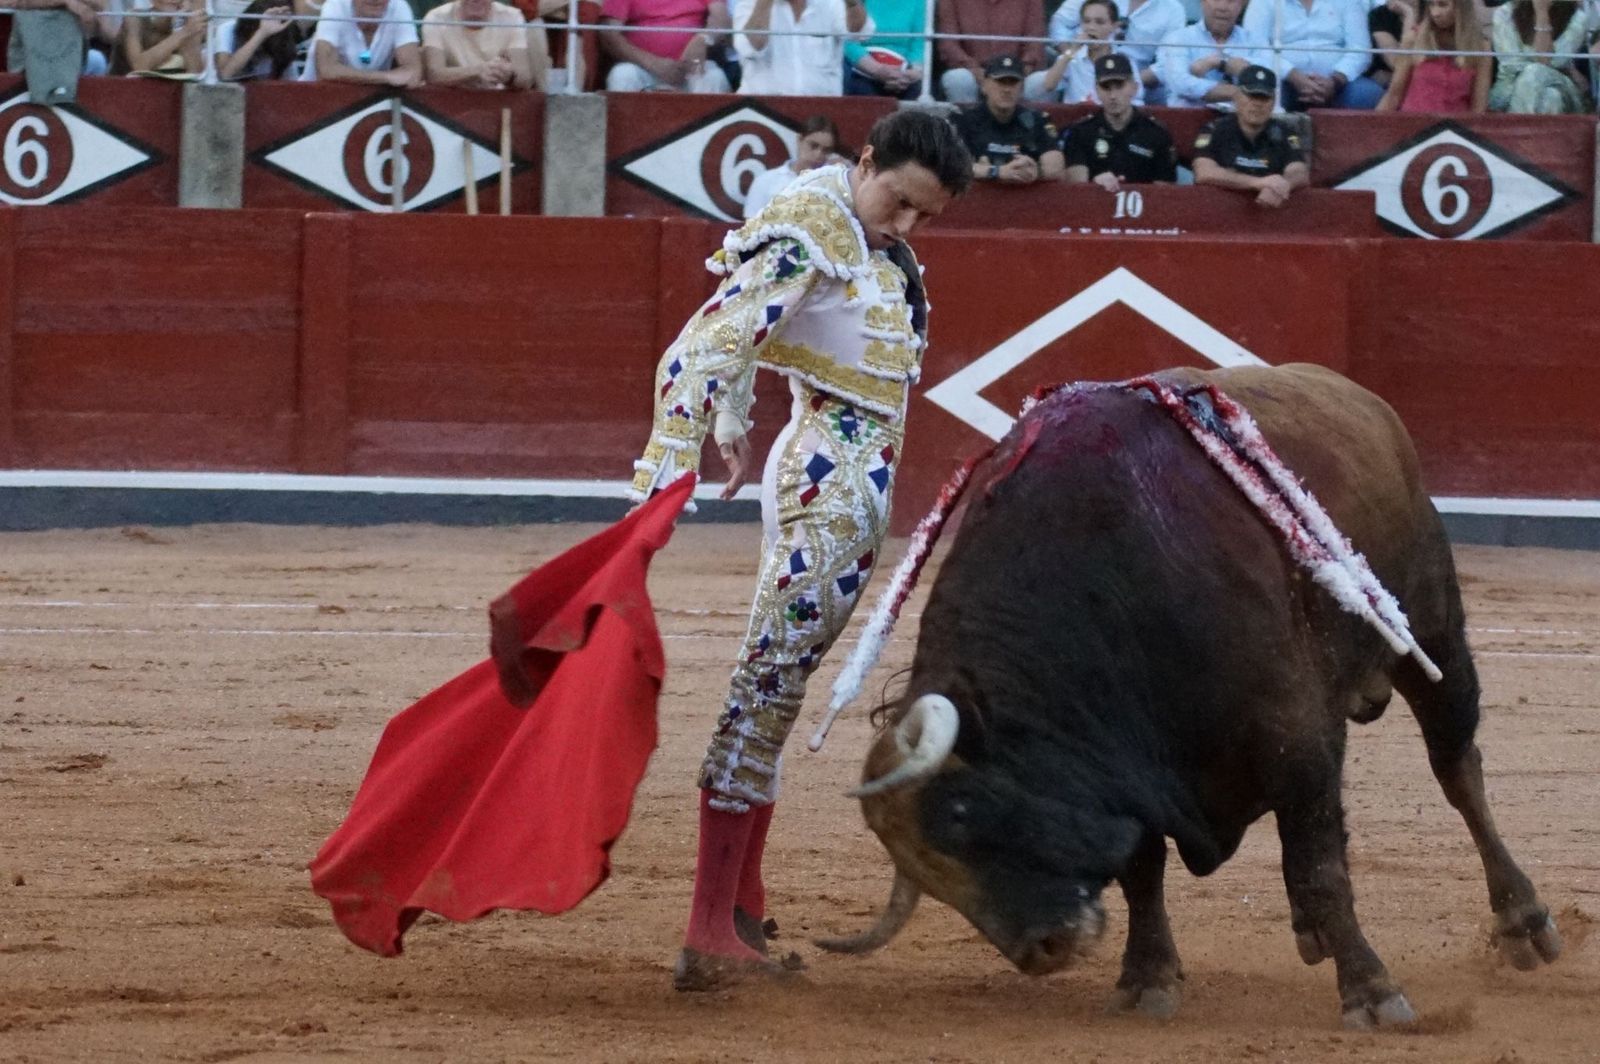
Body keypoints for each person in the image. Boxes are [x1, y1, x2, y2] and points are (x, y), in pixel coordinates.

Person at [626, 108, 972, 992]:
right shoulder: (810, 233)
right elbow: (698, 347)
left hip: (842, 479)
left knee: (776, 694)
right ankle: (709, 929)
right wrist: (663, 478)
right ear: (865, 162)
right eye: (898, 201)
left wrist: (737, 416)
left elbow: (758, 341)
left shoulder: (851, 236)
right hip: (826, 485)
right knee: (766, 689)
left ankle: (741, 907)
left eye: (923, 217)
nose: (903, 226)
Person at [1191, 64, 1310, 207]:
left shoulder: (1284, 131)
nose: (1257, 104)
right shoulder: (1215, 129)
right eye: (1251, 96)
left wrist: (1282, 185)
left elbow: (1299, 171)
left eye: (1264, 98)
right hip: (1220, 210)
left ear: (1273, 102)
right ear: (1237, 97)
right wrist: (1258, 183)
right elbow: (1204, 172)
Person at [1061, 53, 1177, 189]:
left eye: (1119, 86)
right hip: (1094, 206)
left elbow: (1164, 194)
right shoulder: (1080, 132)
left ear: (1134, 87)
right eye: (1106, 88)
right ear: (1096, 90)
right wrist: (1094, 184)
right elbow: (1076, 189)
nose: (1113, 96)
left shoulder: (1156, 133)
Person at [1243, 0, 1385, 109]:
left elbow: (1360, 49)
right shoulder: (1263, 2)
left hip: (1338, 84)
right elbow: (1255, 47)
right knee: (1260, 95)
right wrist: (1292, 75)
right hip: (1281, 80)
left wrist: (1335, 81)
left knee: (1370, 94)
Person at [950, 54, 1066, 183]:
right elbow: (952, 166)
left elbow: (1056, 167)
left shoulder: (1037, 120)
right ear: (984, 86)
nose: (1006, 89)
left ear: (1022, 89)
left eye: (1013, 83)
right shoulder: (964, 120)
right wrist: (997, 172)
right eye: (1000, 82)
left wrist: (1035, 170)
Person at [1048, 0, 1184, 103]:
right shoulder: (1074, 59)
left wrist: (1122, 80)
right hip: (1082, 63)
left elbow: (1168, 61)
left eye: (1099, 22)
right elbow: (1060, 23)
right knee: (1038, 83)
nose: (1092, 26)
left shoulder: (1173, 9)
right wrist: (1072, 56)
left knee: (1176, 90)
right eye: (1088, 22)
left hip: (1138, 79)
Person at [1158, 0, 1277, 108]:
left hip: (1242, 123)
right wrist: (1243, 92)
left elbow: (1269, 76)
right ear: (1202, 2)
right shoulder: (1179, 38)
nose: (1222, 7)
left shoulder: (1255, 41)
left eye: (1231, 1)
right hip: (1190, 119)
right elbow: (1181, 84)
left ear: (1241, 5)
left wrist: (1221, 63)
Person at [733, 0, 866, 95]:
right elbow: (752, 47)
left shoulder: (831, 3)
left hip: (822, 112)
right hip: (764, 110)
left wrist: (852, 2)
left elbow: (858, 32)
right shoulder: (748, 4)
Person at [1377, 0, 1491, 111]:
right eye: (1431, 4)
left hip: (1455, 126)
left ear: (1461, 8)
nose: (1435, 13)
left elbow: (1478, 107)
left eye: (1443, 5)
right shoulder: (1413, 39)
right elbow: (1394, 96)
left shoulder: (1481, 47)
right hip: (1414, 123)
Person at [598, 0, 731, 91]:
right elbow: (609, 34)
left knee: (715, 78)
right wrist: (653, 64)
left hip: (692, 66)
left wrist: (703, 38)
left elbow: (721, 18)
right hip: (642, 67)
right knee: (622, 75)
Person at [935, 0, 1050, 101]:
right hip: (972, 72)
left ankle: (1029, 125)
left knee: (1043, 81)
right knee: (958, 79)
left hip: (1017, 73)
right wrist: (976, 71)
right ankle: (967, 124)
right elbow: (948, 44)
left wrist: (1017, 73)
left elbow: (1035, 43)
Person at [1488, 0, 1590, 113]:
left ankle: (1520, 129)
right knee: (1551, 97)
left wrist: (1542, 14)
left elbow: (1553, 62)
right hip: (1509, 89)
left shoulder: (1578, 18)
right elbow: (1512, 64)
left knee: (1534, 72)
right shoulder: (1504, 13)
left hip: (1560, 85)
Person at [1040, 0, 1145, 103]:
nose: (1091, 27)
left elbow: (1137, 97)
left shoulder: (1124, 61)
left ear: (1114, 26)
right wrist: (1072, 50)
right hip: (1079, 116)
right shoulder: (1071, 58)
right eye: (1086, 21)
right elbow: (1048, 86)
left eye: (1099, 22)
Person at [422, 0, 540, 88]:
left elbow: (524, 77)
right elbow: (434, 75)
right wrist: (477, 71)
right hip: (451, 100)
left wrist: (508, 76)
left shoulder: (512, 17)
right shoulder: (436, 18)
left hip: (498, 100)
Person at [742, 115, 842, 217]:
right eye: (813, 145)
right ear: (799, 140)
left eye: (826, 150)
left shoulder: (833, 184)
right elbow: (750, 225)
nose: (818, 154)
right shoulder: (766, 181)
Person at [301, 0, 422, 84]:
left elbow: (413, 73)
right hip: (317, 97)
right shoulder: (335, 5)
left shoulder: (400, 7)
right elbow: (326, 70)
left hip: (373, 101)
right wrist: (387, 77)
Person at [210, 0, 316, 80]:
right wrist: (262, 33)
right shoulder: (227, 29)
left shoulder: (281, 37)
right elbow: (225, 74)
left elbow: (289, 88)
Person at [842, 0, 924, 98]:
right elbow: (846, 40)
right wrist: (877, 70)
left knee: (917, 90)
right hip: (862, 65)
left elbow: (919, 44)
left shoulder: (919, 2)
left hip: (903, 71)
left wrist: (910, 74)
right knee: (862, 89)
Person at [121, 0, 207, 74]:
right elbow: (139, 66)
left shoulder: (189, 22)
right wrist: (183, 33)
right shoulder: (135, 18)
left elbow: (195, 73)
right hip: (127, 86)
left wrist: (184, 28)